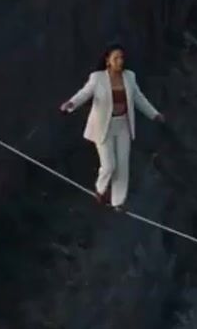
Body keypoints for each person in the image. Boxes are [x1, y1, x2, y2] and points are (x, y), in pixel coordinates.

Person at [60, 46, 163, 211]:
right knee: (109, 165)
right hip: (103, 125)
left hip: (122, 124)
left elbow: (138, 98)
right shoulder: (97, 78)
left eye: (122, 58)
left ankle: (118, 202)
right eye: (116, 58)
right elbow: (84, 93)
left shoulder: (129, 77)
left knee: (122, 165)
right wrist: (71, 104)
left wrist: (154, 114)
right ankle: (100, 190)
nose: (120, 61)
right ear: (108, 60)